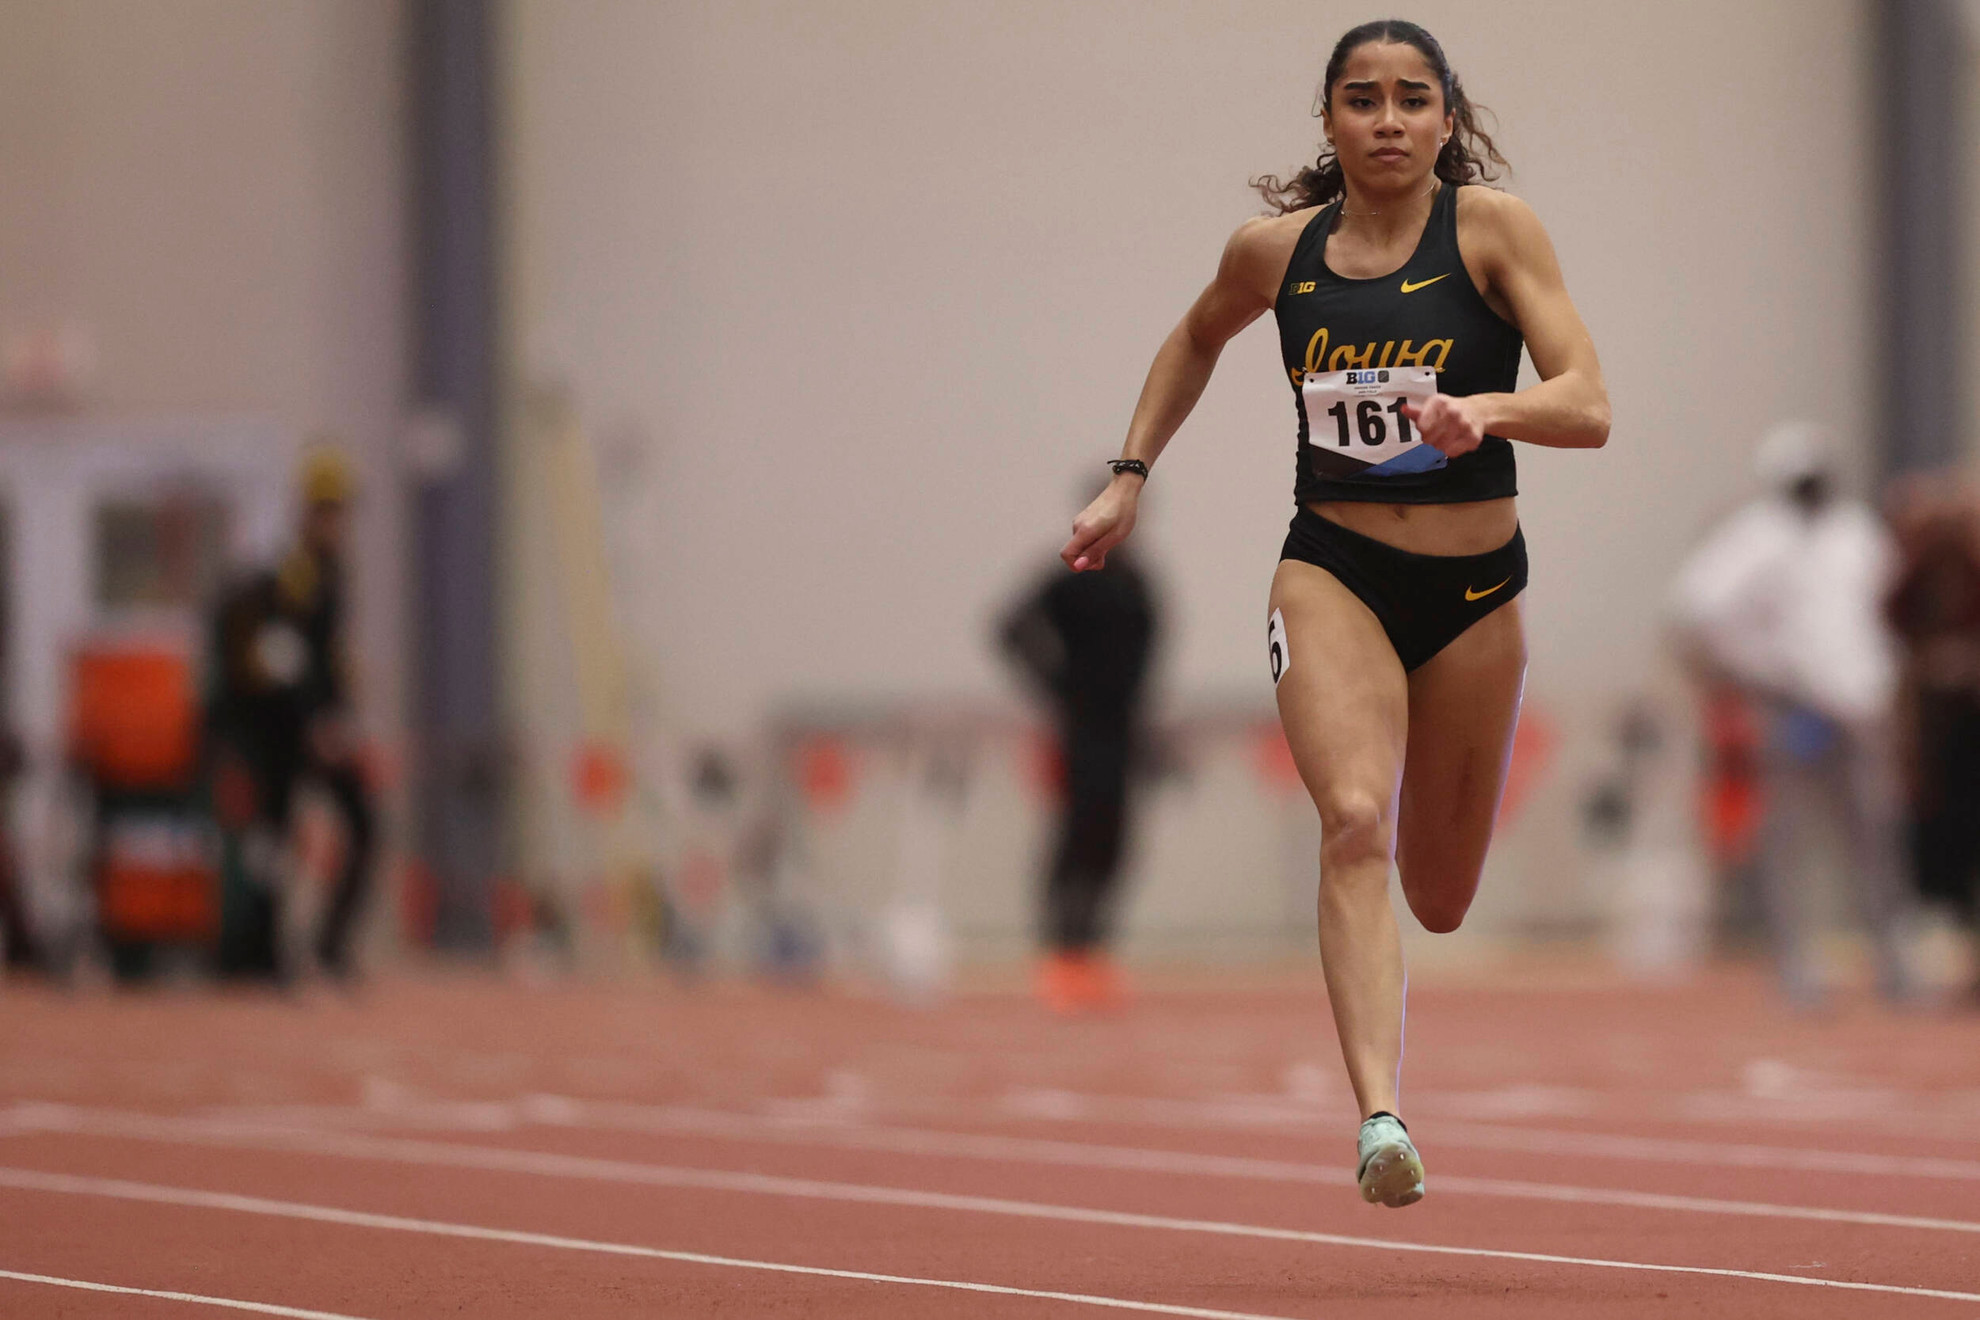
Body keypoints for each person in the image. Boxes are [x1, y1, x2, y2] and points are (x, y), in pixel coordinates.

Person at [1058, 20, 1608, 1207]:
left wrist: (1487, 413)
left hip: (1474, 592)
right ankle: (1379, 1117)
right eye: (1363, 100)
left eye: (1412, 99)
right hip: (1334, 569)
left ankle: (1395, 1008)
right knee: (1355, 819)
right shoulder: (1274, 253)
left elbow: (1589, 402)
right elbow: (1194, 336)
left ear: (1446, 119)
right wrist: (1130, 475)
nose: (1388, 121)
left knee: (1441, 898)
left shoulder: (1493, 231)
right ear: (1329, 120)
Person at [1669, 424, 1912, 1007]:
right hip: (1793, 707)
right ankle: (1797, 968)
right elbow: (1695, 610)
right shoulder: (1757, 536)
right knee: (1788, 840)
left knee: (1875, 836)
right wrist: (1759, 671)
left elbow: (1890, 610)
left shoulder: (1857, 534)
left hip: (1860, 708)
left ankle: (1895, 964)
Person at [206, 446, 377, 981]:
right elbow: (285, 659)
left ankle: (328, 944)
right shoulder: (294, 577)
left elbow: (327, 660)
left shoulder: (333, 573)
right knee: (272, 839)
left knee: (362, 825)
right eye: (329, 510)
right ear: (309, 511)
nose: (336, 522)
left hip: (315, 731)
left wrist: (341, 713)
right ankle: (257, 951)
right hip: (280, 733)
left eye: (341, 511)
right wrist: (314, 724)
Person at [997, 522, 1158, 1013]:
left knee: (1114, 841)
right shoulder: (1070, 577)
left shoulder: (1138, 581)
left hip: (1124, 731)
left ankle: (1093, 951)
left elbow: (1145, 661)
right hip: (1079, 731)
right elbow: (1011, 628)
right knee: (1076, 836)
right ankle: (1062, 954)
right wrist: (1057, 685)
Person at [1885, 475, 1980, 998]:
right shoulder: (1914, 586)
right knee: (1937, 846)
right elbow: (1893, 623)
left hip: (1968, 730)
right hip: (1937, 737)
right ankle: (1945, 958)